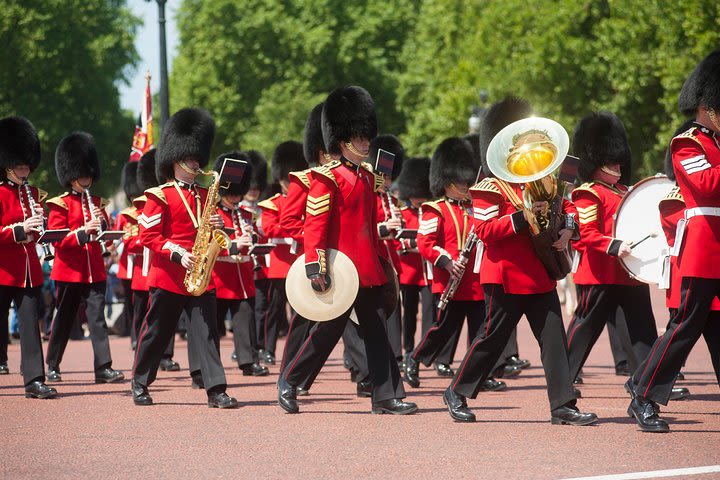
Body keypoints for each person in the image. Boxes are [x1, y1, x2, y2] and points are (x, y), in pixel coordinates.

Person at [442, 97, 597, 425]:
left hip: (540, 273)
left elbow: (567, 209)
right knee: (491, 340)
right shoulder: (489, 188)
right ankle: (457, 391)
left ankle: (563, 405)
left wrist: (568, 231)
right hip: (505, 276)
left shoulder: (544, 180)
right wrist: (523, 219)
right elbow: (485, 230)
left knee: (553, 339)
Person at [277, 85, 416, 415]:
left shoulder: (368, 177)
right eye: (360, 138)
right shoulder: (327, 179)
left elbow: (369, 227)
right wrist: (316, 267)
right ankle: (291, 380)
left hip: (367, 268)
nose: (367, 144)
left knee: (378, 332)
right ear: (343, 141)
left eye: (367, 137)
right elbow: (315, 227)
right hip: (340, 269)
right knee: (326, 332)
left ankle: (385, 396)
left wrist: (382, 265)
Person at [628, 50, 720, 430]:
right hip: (703, 247)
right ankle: (645, 394)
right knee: (684, 325)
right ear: (708, 106)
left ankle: (641, 383)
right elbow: (706, 186)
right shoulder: (689, 143)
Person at [131, 107, 237, 409]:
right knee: (157, 332)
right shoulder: (159, 196)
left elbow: (216, 234)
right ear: (175, 160)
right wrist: (178, 253)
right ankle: (140, 381)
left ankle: (216, 389)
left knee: (206, 333)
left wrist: (221, 226)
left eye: (197, 158)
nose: (196, 162)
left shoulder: (205, 196)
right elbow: (147, 237)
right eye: (191, 158)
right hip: (169, 275)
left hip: (202, 274)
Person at [565, 112, 666, 397]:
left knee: (642, 330)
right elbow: (588, 233)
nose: (618, 165)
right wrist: (613, 245)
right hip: (600, 272)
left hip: (628, 272)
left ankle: (648, 383)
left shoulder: (624, 190)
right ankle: (562, 379)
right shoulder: (589, 193)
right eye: (610, 161)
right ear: (595, 162)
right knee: (584, 329)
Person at [404, 138, 499, 389]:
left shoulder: (474, 208)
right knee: (442, 330)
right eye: (462, 182)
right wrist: (445, 261)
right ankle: (414, 359)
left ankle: (479, 374)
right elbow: (425, 242)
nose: (467, 185)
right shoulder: (435, 209)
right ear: (448, 183)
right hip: (451, 281)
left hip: (476, 282)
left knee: (482, 332)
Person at [45, 132, 123, 384]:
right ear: (71, 175)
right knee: (65, 319)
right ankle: (53, 364)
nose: (87, 177)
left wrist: (107, 231)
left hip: (95, 270)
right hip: (69, 271)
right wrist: (81, 234)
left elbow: (106, 240)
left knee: (98, 319)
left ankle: (103, 367)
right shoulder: (61, 205)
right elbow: (57, 240)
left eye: (89, 173)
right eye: (82, 173)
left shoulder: (98, 203)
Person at [0, 116, 56, 398]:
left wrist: (40, 228)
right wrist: (20, 230)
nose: (25, 170)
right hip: (3, 270)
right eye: (20, 165)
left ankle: (34, 379)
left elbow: (35, 233)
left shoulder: (33, 193)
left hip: (29, 270)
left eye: (27, 165)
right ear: (7, 165)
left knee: (31, 323)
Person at [211, 150, 268, 376]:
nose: (236, 197)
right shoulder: (213, 213)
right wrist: (233, 245)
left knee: (245, 321)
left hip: (242, 277)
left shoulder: (245, 214)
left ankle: (248, 361)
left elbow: (255, 236)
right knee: (213, 328)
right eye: (232, 193)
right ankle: (209, 368)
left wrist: (253, 238)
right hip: (219, 276)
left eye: (238, 193)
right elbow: (208, 243)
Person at [256, 141, 307, 364]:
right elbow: (269, 228)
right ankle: (268, 349)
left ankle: (296, 351)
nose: (290, 184)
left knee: (300, 310)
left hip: (300, 262)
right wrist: (295, 229)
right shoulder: (272, 204)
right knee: (274, 311)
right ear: (280, 180)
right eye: (287, 180)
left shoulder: (307, 200)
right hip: (278, 265)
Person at [114, 162, 142, 339]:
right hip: (128, 264)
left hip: (143, 263)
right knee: (130, 304)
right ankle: (133, 335)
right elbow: (116, 238)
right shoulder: (123, 215)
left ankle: (139, 334)